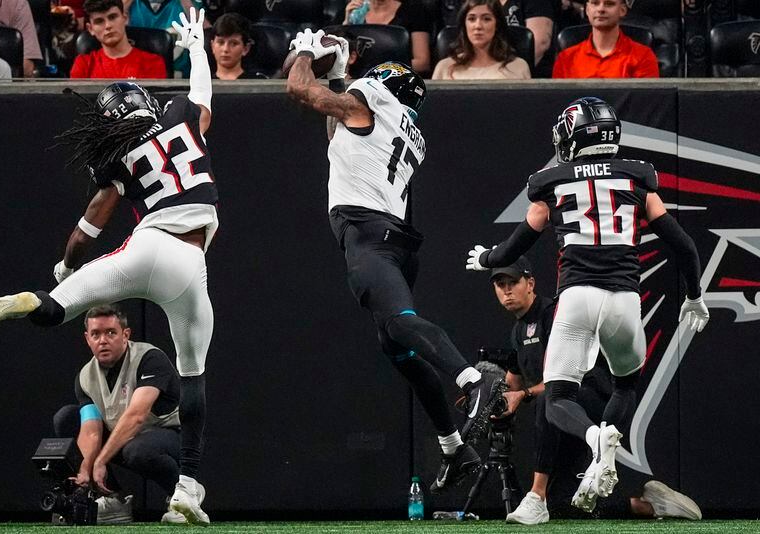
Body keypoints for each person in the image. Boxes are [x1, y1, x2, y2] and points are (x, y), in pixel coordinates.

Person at [0, 7, 215, 526]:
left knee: (57, 306)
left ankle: (34, 301)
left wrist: (65, 267)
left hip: (144, 247)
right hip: (191, 264)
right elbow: (203, 95)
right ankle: (188, 488)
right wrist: (195, 49)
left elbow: (88, 230)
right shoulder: (180, 116)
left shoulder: (118, 158)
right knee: (193, 375)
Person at [465, 96, 709, 514]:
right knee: (625, 384)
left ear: (572, 137)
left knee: (559, 397)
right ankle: (605, 447)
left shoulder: (551, 180)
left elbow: (519, 242)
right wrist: (694, 296)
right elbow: (684, 247)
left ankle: (597, 440)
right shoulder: (637, 177)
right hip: (626, 301)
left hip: (577, 296)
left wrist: (487, 258)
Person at [286, 28, 502, 494]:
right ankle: (453, 446)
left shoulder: (372, 100)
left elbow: (299, 89)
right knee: (398, 349)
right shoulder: (400, 125)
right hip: (395, 240)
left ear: (383, 81)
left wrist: (304, 50)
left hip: (369, 237)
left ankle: (472, 378)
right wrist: (342, 72)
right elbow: (338, 132)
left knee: (401, 324)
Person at [488, 258, 702, 524]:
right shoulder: (518, 330)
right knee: (567, 504)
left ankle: (536, 494)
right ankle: (651, 505)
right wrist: (494, 400)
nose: (507, 290)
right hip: (560, 423)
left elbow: (560, 382)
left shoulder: (555, 314)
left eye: (513, 283)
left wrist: (524, 395)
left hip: (587, 403)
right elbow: (514, 378)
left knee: (549, 398)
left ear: (530, 283)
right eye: (500, 285)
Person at [52, 305, 198, 524]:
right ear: (87, 338)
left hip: (172, 436)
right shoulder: (85, 377)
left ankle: (183, 496)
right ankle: (112, 499)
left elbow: (136, 416)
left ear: (125, 335)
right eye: (96, 334)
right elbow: (91, 429)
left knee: (138, 449)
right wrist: (85, 468)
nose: (103, 340)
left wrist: (100, 460)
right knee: (66, 418)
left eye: (111, 332)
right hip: (127, 439)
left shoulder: (149, 358)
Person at [552, 0, 659, 78]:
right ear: (587, 10)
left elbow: (646, 104)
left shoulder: (643, 56)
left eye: (609, 4)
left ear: (622, 10)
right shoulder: (566, 58)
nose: (601, 9)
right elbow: (558, 103)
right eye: (595, 3)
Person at [433, 0, 530, 80]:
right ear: (464, 25)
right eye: (471, 19)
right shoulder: (444, 68)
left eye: (486, 19)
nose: (478, 26)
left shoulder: (518, 67)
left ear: (497, 25)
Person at [70, 0, 166, 79]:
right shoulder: (83, 64)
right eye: (99, 21)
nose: (108, 26)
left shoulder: (153, 63)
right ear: (90, 29)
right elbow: (75, 102)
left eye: (112, 17)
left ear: (125, 18)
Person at [342, 0, 431, 75]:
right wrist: (347, 24)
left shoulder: (414, 12)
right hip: (355, 79)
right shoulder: (354, 13)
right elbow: (336, 57)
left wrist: (382, 70)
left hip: (394, 79)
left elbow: (422, 63)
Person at [123, 0, 206, 77]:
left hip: (182, 78)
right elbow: (113, 19)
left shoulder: (189, 4)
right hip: (137, 75)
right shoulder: (131, 5)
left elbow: (208, 35)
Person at [210, 12, 265, 80]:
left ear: (246, 49)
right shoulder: (200, 83)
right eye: (221, 42)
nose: (225, 49)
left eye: (233, 43)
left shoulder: (259, 82)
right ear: (212, 46)